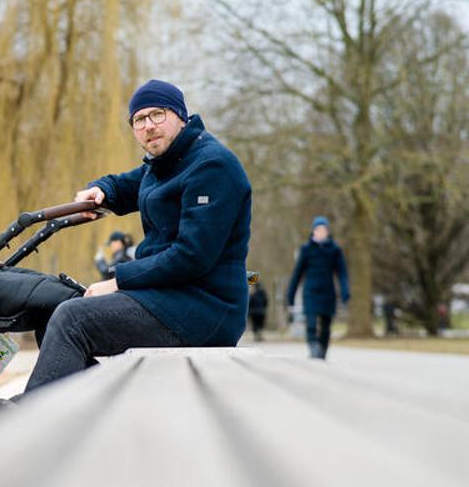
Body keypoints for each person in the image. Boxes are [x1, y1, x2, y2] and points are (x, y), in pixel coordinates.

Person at [24, 79, 252, 392]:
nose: (148, 126)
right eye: (139, 120)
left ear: (180, 117)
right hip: (168, 298)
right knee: (55, 312)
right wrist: (100, 190)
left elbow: (191, 257)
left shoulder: (212, 166)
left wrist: (118, 280)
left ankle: (27, 427)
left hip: (204, 307)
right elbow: (127, 185)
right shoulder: (165, 163)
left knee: (72, 319)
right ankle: (84, 414)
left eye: (157, 115)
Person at [285, 216, 350, 360]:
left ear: (327, 232)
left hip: (328, 292)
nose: (320, 232)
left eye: (323, 230)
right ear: (313, 231)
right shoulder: (306, 249)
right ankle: (313, 347)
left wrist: (345, 292)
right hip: (310, 292)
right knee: (311, 322)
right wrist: (290, 296)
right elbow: (297, 274)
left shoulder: (335, 250)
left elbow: (342, 273)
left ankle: (322, 351)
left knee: (326, 325)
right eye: (317, 230)